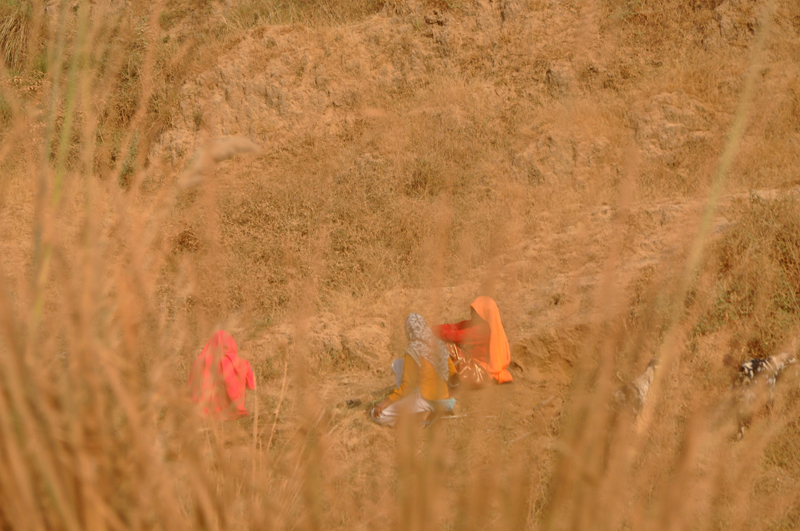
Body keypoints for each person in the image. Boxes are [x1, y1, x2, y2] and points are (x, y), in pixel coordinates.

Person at [371, 313, 456, 426]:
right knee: (400, 364)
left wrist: (385, 402)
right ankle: (430, 410)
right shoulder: (438, 344)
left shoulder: (413, 351)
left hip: (425, 398)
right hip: (443, 398)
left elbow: (407, 386)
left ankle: (417, 416)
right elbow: (452, 372)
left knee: (376, 414)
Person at [435, 296, 513, 384]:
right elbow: (453, 327)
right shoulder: (475, 325)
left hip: (480, 372)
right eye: (472, 311)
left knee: (447, 345)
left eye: (475, 312)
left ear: (484, 313)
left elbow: (456, 336)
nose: (472, 314)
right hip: (474, 365)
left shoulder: (484, 330)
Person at [189, 330, 256, 419]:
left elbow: (191, 388)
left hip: (203, 413)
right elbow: (251, 386)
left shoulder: (200, 362)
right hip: (232, 411)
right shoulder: (241, 363)